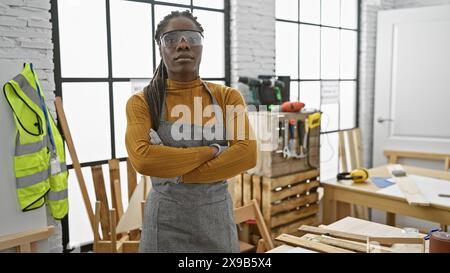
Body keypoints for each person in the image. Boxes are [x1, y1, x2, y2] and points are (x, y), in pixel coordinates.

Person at [125, 10, 257, 253]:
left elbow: (247, 154)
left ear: (201, 47)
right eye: (172, 39)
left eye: (192, 38)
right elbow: (144, 159)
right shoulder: (143, 102)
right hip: (165, 225)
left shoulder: (228, 97)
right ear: (160, 48)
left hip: (217, 222)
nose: (184, 44)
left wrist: (176, 170)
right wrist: (214, 150)